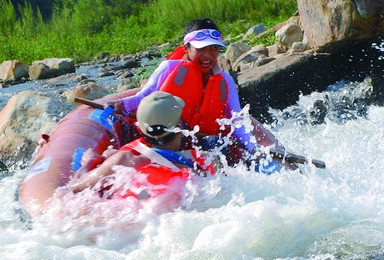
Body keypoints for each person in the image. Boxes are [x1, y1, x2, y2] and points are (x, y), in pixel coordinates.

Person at [105, 18, 292, 169]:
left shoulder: (225, 81)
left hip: (206, 145)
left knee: (214, 144)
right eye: (201, 48)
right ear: (186, 48)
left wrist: (253, 147)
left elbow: (236, 119)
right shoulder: (169, 68)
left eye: (213, 48)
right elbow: (144, 98)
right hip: (167, 141)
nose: (208, 55)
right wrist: (120, 104)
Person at [70, 91, 216, 198]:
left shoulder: (125, 160)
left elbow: (76, 186)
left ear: (140, 128)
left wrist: (89, 161)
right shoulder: (204, 162)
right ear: (180, 127)